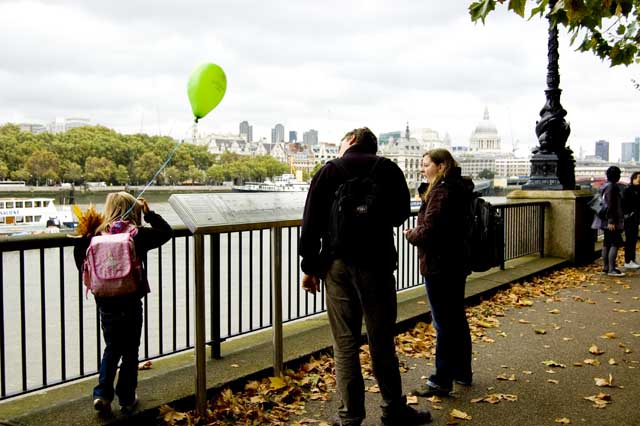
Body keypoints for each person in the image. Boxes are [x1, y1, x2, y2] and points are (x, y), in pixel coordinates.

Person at [299, 128, 431, 426]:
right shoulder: (388, 169)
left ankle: (351, 416)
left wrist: (310, 267)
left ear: (351, 143)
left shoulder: (329, 171)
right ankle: (393, 409)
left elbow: (311, 222)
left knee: (345, 342)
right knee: (381, 339)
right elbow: (399, 215)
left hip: (337, 264)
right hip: (377, 263)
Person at [73, 192, 172, 415]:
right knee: (130, 351)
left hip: (106, 303)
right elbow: (166, 233)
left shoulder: (94, 236)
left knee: (112, 347)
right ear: (133, 210)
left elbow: (81, 260)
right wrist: (150, 214)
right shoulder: (137, 235)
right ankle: (126, 398)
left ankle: (101, 394)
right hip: (130, 301)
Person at [403, 149, 474, 397]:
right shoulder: (459, 187)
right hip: (456, 262)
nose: (423, 169)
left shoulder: (442, 192)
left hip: (439, 265)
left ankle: (441, 379)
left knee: (443, 322)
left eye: (426, 165)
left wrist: (410, 233)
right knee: (456, 319)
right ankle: (463, 372)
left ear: (441, 166)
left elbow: (428, 232)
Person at [592, 166, 625, 277]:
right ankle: (612, 269)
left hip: (603, 220)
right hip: (611, 220)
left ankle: (606, 267)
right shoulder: (613, 187)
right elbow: (611, 205)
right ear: (617, 176)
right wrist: (611, 220)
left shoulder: (604, 186)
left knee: (606, 243)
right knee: (614, 243)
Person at [622, 171, 640, 269]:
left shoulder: (637, 190)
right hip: (630, 219)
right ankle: (628, 260)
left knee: (633, 240)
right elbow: (625, 205)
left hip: (635, 218)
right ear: (633, 179)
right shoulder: (628, 190)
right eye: (638, 178)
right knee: (630, 240)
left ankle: (632, 259)